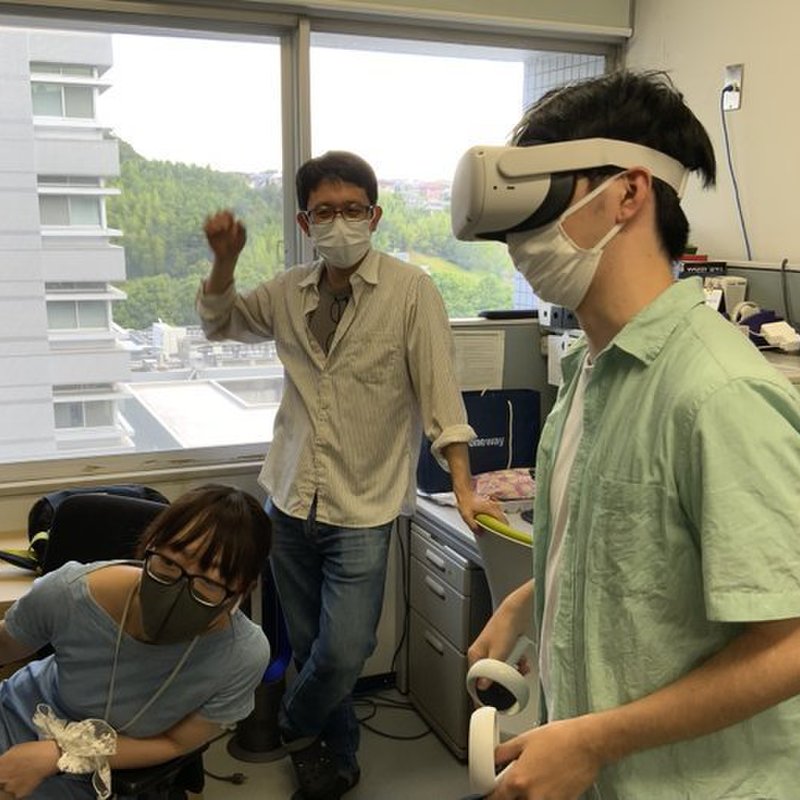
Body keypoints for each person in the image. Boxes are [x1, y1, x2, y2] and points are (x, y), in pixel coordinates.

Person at [464, 70, 800, 799]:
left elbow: (792, 645)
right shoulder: (593, 371)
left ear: (628, 193)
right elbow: (633, 555)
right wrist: (529, 600)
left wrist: (594, 741)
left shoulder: (719, 394)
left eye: (547, 198)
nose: (522, 239)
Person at [198, 150, 504, 800]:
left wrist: (464, 486)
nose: (340, 223)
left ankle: (290, 723)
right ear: (305, 223)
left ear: (375, 215)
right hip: (289, 500)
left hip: (363, 509)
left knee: (344, 651)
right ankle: (333, 759)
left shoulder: (410, 291)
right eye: (325, 212)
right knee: (312, 645)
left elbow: (441, 395)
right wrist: (224, 262)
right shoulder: (287, 292)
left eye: (352, 210)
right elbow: (219, 323)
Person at [0, 484, 271, 799]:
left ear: (241, 590)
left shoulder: (241, 656)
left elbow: (176, 743)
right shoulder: (71, 592)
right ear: (150, 547)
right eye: (169, 563)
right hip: (18, 713)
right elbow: (5, 646)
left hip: (99, 769)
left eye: (209, 582)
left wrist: (62, 752)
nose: (179, 588)